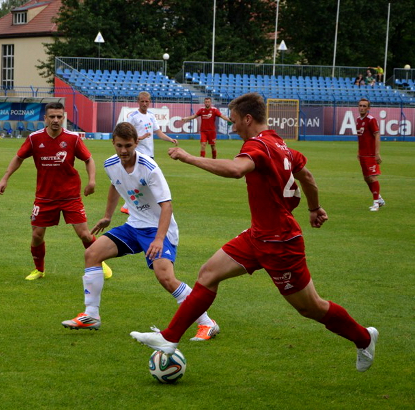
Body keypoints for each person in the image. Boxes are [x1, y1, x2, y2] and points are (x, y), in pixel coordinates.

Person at [131, 93, 378, 373]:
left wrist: (187, 157)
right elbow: (306, 177)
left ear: (248, 119)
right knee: (208, 274)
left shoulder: (258, 145)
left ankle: (364, 337)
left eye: (235, 121)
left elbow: (237, 170)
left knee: (310, 307)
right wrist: (314, 208)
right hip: (258, 235)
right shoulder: (280, 143)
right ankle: (169, 337)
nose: (233, 127)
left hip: (280, 243)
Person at [61, 122, 219, 340]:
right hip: (134, 226)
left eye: (128, 145)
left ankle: (208, 323)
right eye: (119, 146)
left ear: (136, 143)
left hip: (158, 228)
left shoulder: (149, 168)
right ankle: (91, 315)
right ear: (113, 143)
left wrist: (159, 239)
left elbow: (167, 205)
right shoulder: (110, 164)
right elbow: (115, 185)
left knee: (165, 277)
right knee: (92, 254)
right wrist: (108, 215)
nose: (124, 151)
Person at [0, 102, 112, 281]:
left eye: (59, 116)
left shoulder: (73, 138)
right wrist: (5, 178)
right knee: (36, 235)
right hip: (45, 196)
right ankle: (39, 270)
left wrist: (92, 180)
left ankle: (100, 262)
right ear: (45, 118)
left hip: (70, 195)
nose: (56, 120)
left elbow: (89, 159)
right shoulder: (35, 139)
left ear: (64, 117)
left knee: (84, 233)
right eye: (52, 117)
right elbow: (18, 157)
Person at [121, 91, 178, 214]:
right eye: (142, 101)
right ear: (138, 102)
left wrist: (170, 139)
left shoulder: (151, 116)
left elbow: (158, 132)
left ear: (150, 102)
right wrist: (140, 137)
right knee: (147, 178)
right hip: (138, 153)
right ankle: (132, 205)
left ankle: (131, 204)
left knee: (144, 179)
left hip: (149, 153)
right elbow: (127, 135)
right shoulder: (133, 116)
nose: (144, 103)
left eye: (147, 101)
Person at [356, 98, 385, 211]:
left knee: (372, 178)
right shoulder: (358, 119)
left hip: (371, 155)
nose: (362, 108)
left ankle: (376, 204)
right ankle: (379, 199)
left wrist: (377, 153)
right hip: (363, 155)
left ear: (368, 108)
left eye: (364, 106)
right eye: (360, 105)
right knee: (366, 178)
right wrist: (359, 152)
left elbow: (377, 135)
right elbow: (361, 138)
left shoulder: (371, 120)